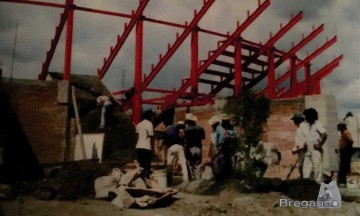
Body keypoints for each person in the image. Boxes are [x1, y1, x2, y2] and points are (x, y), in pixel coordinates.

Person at [302, 108, 328, 183]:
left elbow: (324, 134)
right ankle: (306, 182)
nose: (305, 118)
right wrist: (305, 144)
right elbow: (309, 137)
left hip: (316, 150)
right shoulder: (308, 125)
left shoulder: (318, 124)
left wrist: (319, 145)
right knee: (306, 166)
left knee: (317, 167)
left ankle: (318, 184)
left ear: (310, 116)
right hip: (309, 149)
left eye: (306, 116)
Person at [163, 120, 188, 184]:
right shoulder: (178, 129)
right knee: (183, 163)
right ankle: (186, 179)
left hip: (171, 148)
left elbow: (165, 144)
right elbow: (182, 136)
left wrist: (165, 155)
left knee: (169, 164)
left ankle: (169, 181)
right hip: (179, 147)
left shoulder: (166, 131)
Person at [213, 114, 237, 182]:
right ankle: (220, 177)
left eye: (227, 121)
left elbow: (235, 136)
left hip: (229, 145)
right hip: (221, 145)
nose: (225, 122)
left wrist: (229, 135)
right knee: (220, 161)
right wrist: (216, 147)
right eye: (224, 121)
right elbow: (216, 138)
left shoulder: (232, 127)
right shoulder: (219, 127)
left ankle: (229, 176)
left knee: (229, 161)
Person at [184, 113, 205, 180]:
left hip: (190, 148)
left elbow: (186, 140)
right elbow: (203, 138)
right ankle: (198, 178)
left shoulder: (187, 130)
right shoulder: (201, 128)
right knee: (198, 164)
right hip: (198, 147)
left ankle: (192, 178)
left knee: (190, 164)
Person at [135, 110, 154, 179]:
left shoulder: (138, 125)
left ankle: (141, 179)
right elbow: (151, 137)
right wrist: (153, 149)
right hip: (147, 147)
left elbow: (137, 137)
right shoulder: (150, 124)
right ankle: (147, 179)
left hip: (139, 146)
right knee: (147, 166)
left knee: (141, 165)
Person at [291, 113, 310, 179]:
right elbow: (298, 142)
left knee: (302, 167)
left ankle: (304, 180)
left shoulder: (304, 127)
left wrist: (305, 145)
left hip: (304, 150)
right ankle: (303, 179)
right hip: (300, 150)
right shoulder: (299, 128)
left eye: (294, 120)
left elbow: (308, 138)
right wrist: (295, 150)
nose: (293, 122)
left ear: (297, 120)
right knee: (301, 166)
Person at [336, 122, 354, 186]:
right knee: (342, 166)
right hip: (343, 151)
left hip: (346, 151)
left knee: (344, 166)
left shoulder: (346, 133)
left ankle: (344, 181)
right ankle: (342, 181)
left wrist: (346, 147)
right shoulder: (342, 133)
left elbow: (351, 140)